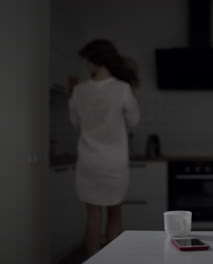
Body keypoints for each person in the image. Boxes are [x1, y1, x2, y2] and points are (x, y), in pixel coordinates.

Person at [68, 39, 140, 257]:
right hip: (114, 163)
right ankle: (114, 260)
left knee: (92, 216)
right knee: (115, 213)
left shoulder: (78, 91)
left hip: (89, 162)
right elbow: (133, 122)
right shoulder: (122, 89)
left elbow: (75, 124)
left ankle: (93, 259)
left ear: (94, 61)